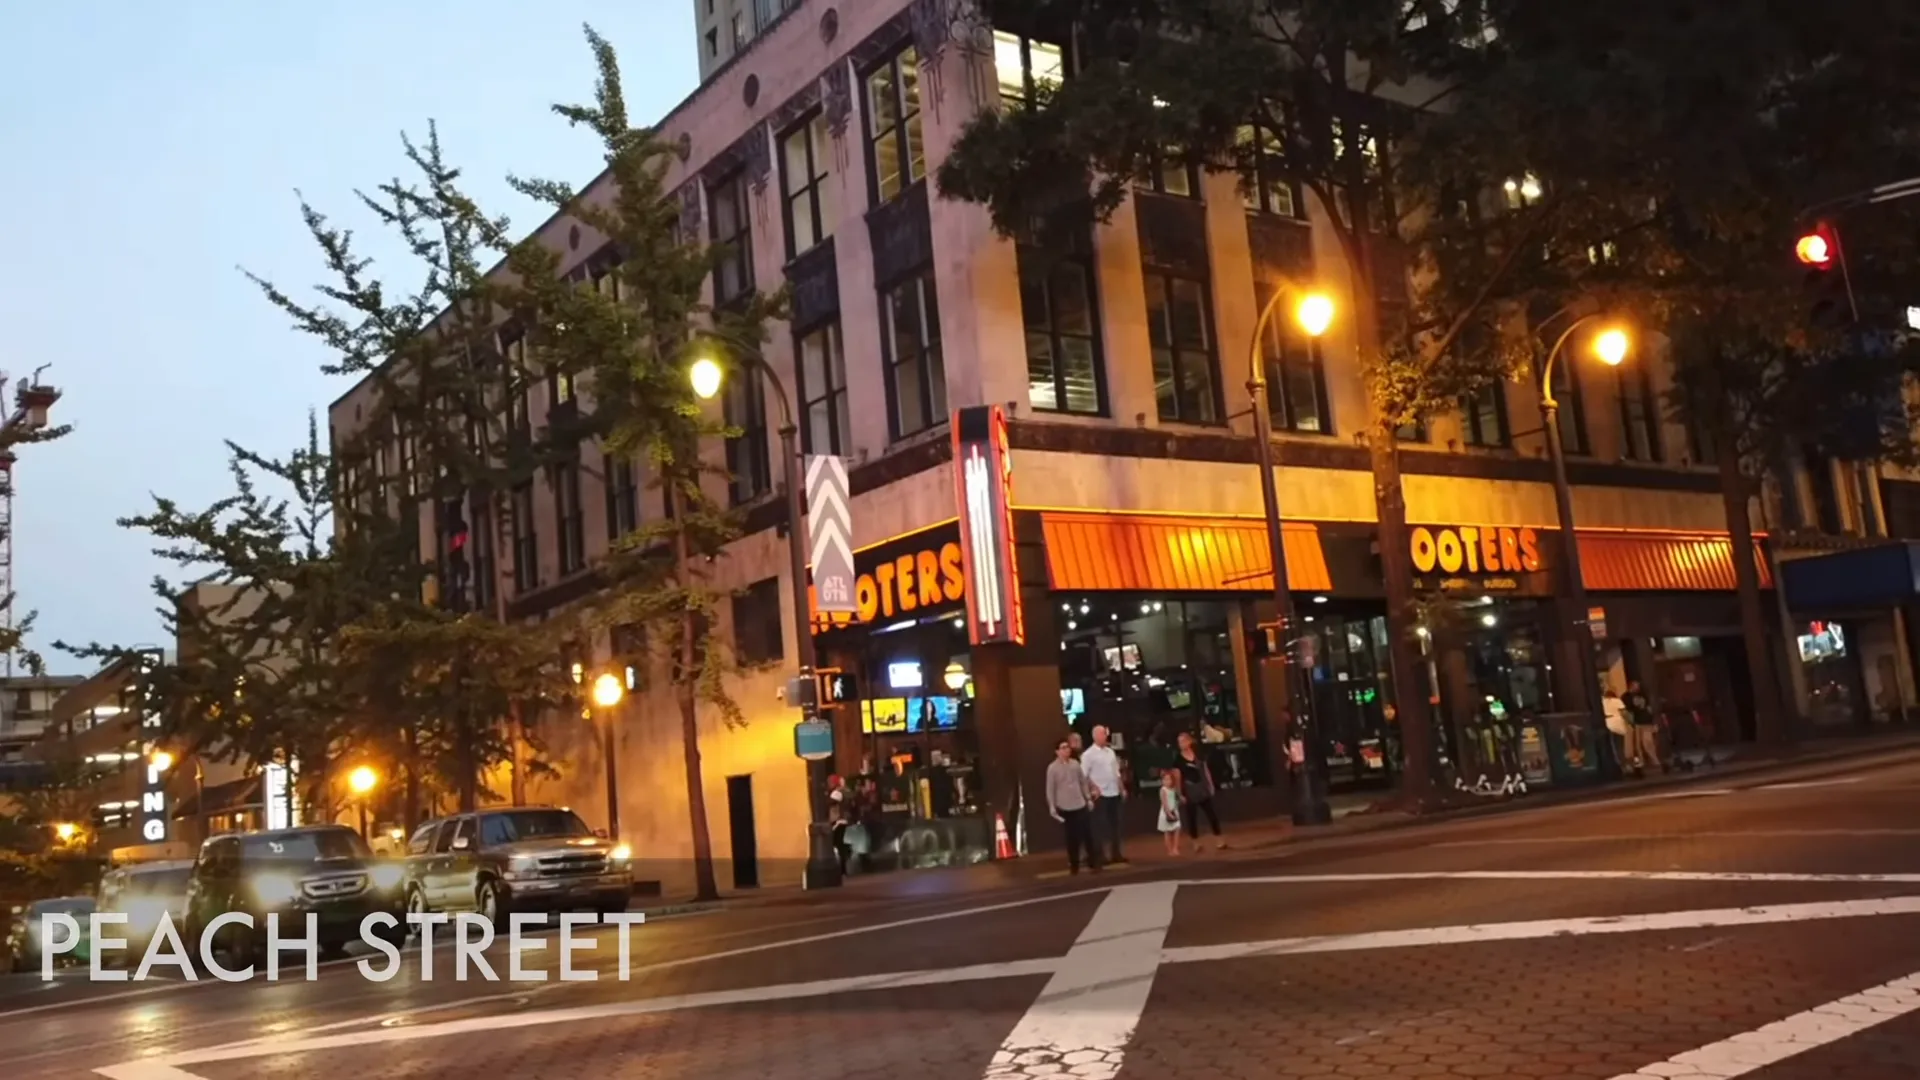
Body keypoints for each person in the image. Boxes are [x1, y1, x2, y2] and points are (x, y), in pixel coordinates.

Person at [1045, 738, 1101, 874]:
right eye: (1063, 748)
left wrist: (1088, 798)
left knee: (1087, 834)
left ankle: (1093, 861)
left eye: (1067, 747)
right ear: (1057, 751)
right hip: (1065, 806)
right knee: (1071, 837)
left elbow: (1083, 782)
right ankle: (1074, 864)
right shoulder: (1052, 768)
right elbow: (1050, 789)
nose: (1066, 750)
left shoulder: (1075, 764)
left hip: (1080, 803)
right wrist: (1052, 806)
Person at [1080, 724, 1127, 865]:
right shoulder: (1088, 755)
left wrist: (1122, 788)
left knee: (1116, 825)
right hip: (1100, 794)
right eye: (1102, 734)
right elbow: (1084, 776)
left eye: (1105, 734)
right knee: (1099, 826)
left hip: (1114, 792)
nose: (1105, 736)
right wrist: (1093, 788)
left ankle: (1116, 853)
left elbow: (1116, 772)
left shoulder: (1110, 752)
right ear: (1095, 736)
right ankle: (1099, 855)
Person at [1174, 731, 1225, 850]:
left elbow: (1205, 770)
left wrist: (1210, 784)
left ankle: (1219, 840)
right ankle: (1196, 843)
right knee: (1192, 817)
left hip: (1202, 788)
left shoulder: (1198, 755)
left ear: (1189, 741)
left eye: (1183, 741)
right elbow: (1177, 777)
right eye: (1179, 742)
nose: (1181, 744)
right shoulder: (1178, 760)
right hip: (1189, 790)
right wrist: (1179, 794)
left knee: (1212, 814)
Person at [1626, 680, 1665, 775]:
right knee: (1638, 744)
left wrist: (1653, 721)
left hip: (1646, 722)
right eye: (1635, 686)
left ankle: (1654, 760)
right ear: (1631, 686)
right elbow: (1628, 710)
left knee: (1648, 742)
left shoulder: (1643, 695)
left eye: (1638, 686)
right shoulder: (1627, 697)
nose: (1637, 687)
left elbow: (1648, 708)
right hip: (1637, 723)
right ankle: (1642, 762)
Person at [1602, 685, 1633, 773]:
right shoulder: (1617, 701)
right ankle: (1622, 765)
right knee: (1619, 745)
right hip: (1617, 724)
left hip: (1607, 723)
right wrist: (1631, 722)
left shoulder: (1602, 701)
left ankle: (1615, 764)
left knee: (1611, 746)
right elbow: (1624, 713)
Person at [826, 774, 851, 872]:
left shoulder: (837, 793)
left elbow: (830, 803)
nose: (829, 784)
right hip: (839, 821)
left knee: (836, 844)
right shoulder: (837, 792)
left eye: (830, 782)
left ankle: (842, 867)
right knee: (838, 844)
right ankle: (842, 867)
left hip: (838, 822)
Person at [1157, 768, 1184, 856]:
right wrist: (1168, 813)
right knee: (1167, 831)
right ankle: (1169, 850)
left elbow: (1176, 800)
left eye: (1168, 779)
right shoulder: (1163, 790)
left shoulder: (1173, 789)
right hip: (1166, 813)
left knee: (1177, 829)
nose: (1166, 781)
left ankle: (1175, 848)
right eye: (1164, 779)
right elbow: (1164, 803)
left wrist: (1180, 801)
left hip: (1174, 811)